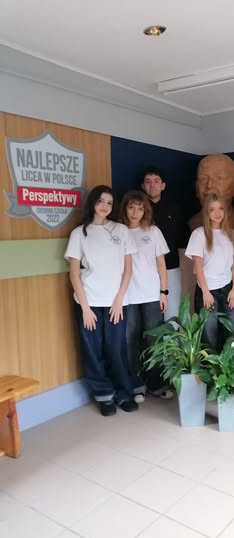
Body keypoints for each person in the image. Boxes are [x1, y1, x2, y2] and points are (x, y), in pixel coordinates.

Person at [64, 185, 139, 416]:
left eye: (109, 202)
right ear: (93, 203)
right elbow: (74, 274)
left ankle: (123, 393)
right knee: (93, 350)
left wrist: (119, 300)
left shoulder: (121, 230)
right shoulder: (79, 233)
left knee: (116, 349)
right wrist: (86, 309)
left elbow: (128, 270)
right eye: (101, 201)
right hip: (88, 303)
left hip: (116, 303)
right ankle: (104, 396)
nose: (105, 206)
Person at [120, 190, 172, 401]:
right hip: (127, 296)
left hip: (151, 294)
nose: (135, 212)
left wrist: (163, 292)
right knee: (129, 340)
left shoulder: (153, 231)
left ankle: (156, 384)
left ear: (146, 211)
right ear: (125, 209)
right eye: (131, 207)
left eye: (140, 208)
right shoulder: (119, 232)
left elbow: (161, 264)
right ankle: (136, 386)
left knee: (154, 340)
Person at [185, 193, 234, 350]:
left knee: (232, 334)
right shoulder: (199, 234)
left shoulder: (231, 233)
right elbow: (197, 266)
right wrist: (205, 292)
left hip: (228, 289)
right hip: (208, 291)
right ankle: (210, 366)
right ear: (206, 212)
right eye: (212, 209)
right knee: (209, 336)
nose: (217, 213)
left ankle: (229, 366)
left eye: (220, 208)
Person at [141, 166, 189, 320]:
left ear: (163, 186)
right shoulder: (137, 210)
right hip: (144, 271)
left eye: (156, 181)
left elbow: (182, 240)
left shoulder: (174, 209)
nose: (152, 185)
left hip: (170, 267)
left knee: (172, 312)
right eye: (148, 182)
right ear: (143, 186)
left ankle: (172, 337)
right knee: (149, 315)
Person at [188, 153, 234, 231]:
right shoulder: (194, 224)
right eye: (203, 179)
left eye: (219, 178)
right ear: (197, 188)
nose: (209, 185)